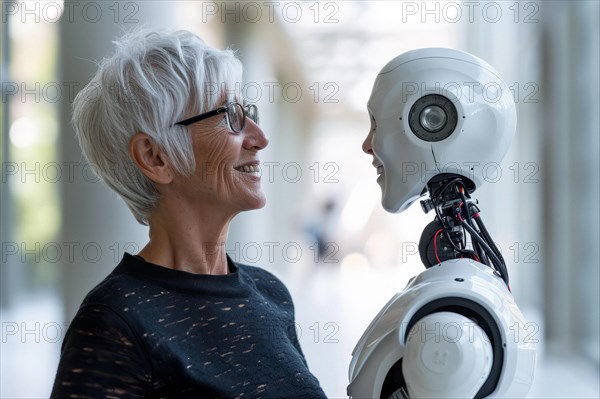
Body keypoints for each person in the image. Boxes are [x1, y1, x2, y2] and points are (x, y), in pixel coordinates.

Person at [51, 29, 326, 398]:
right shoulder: (115, 323)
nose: (260, 137)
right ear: (155, 157)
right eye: (230, 115)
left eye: (249, 113)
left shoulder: (270, 293)